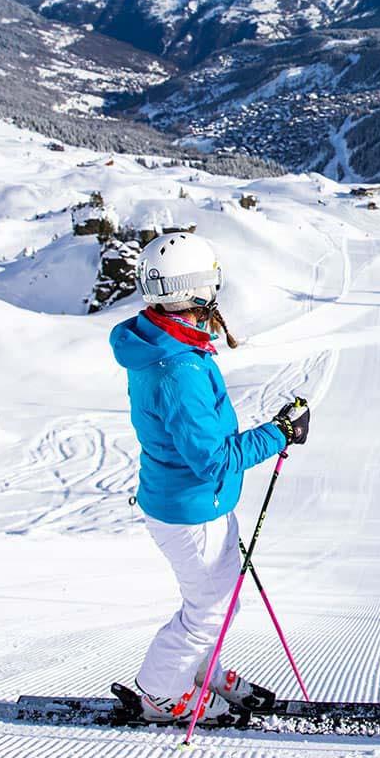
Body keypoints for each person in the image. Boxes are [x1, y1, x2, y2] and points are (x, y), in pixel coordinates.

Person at [108, 231, 310, 722]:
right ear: (197, 289)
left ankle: (198, 669)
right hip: (190, 509)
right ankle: (161, 693)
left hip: (202, 503)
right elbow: (214, 460)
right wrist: (279, 433)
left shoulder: (165, 342)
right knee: (206, 613)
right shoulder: (176, 369)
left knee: (221, 603)